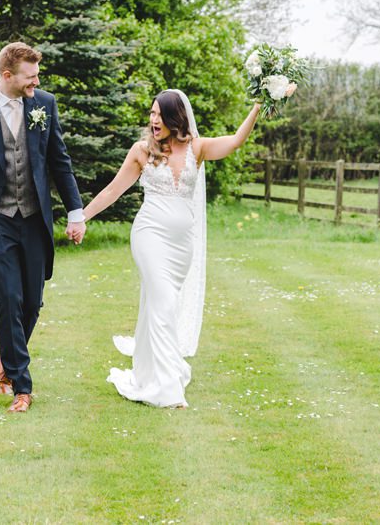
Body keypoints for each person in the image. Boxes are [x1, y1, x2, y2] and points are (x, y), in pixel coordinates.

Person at [71, 88, 264, 408]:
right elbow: (112, 191)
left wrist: (258, 105)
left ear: (176, 118)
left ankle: (150, 371)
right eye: (151, 114)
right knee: (162, 302)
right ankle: (168, 390)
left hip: (181, 245)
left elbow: (234, 141)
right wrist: (82, 217)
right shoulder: (141, 151)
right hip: (149, 235)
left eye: (159, 115)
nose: (153, 120)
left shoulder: (197, 148)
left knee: (161, 306)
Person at [0, 42, 87, 413]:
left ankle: (6, 359)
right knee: (7, 298)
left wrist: (76, 212)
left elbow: (60, 160)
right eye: (30, 75)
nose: (36, 81)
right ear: (7, 76)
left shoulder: (44, 104)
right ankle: (21, 386)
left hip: (34, 218)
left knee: (32, 302)